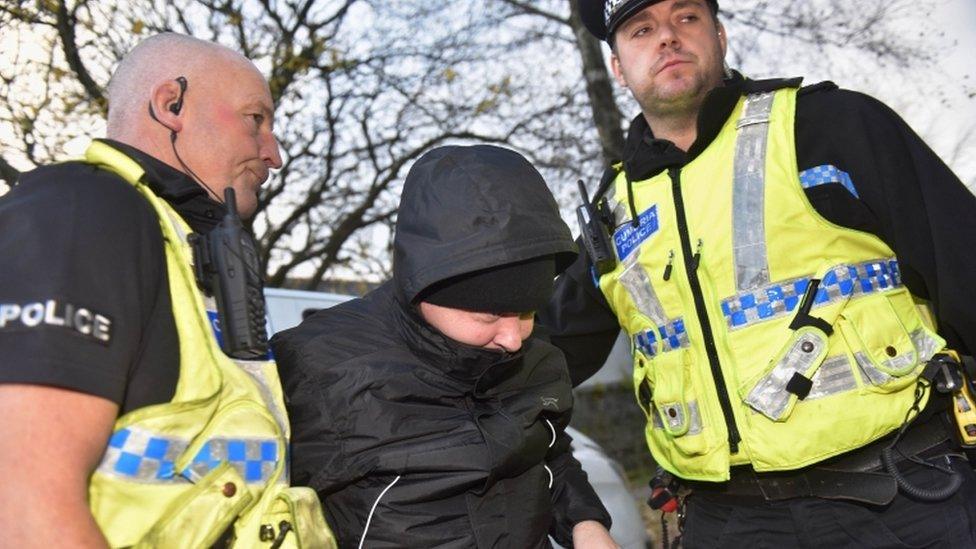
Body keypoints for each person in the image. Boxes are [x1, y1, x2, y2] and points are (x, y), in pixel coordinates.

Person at [540, 0, 976, 545]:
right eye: (641, 29)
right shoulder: (613, 214)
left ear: (719, 35)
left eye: (686, 18)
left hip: (900, 499)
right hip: (726, 523)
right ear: (619, 69)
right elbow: (537, 369)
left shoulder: (831, 127)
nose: (667, 39)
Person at [0, 33, 334, 547]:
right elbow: (23, 509)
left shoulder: (182, 242)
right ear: (170, 105)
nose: (274, 153)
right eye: (256, 120)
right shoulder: (84, 210)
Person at [271, 145, 618, 548]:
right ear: (424, 289)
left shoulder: (535, 354)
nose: (513, 337)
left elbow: (551, 451)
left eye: (528, 312)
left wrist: (586, 523)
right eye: (488, 316)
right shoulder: (317, 367)